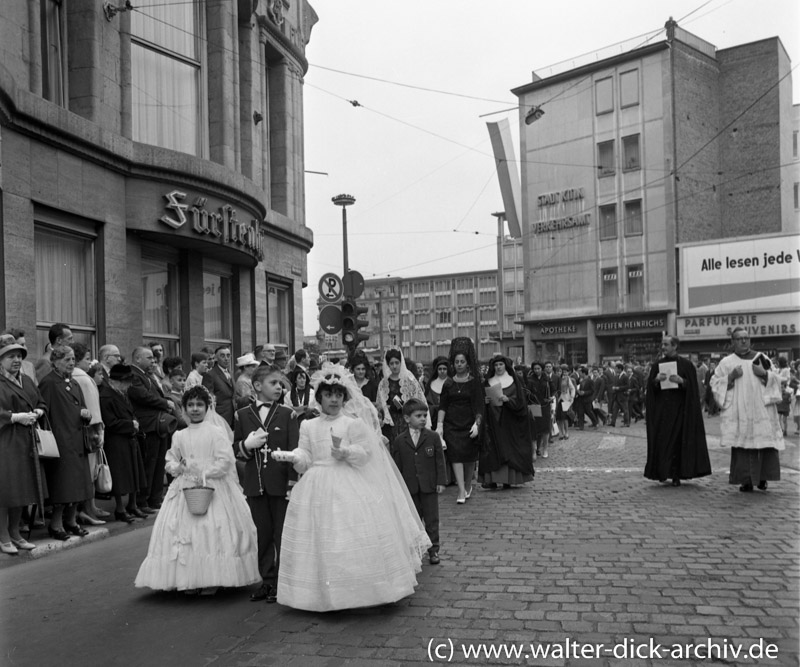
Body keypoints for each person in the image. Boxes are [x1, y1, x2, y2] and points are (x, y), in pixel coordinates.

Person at [274, 364, 431, 612]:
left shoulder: (352, 424)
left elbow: (364, 454)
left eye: (338, 395)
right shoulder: (308, 426)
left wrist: (345, 451)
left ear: (345, 398)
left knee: (349, 534)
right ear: (320, 397)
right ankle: (321, 594)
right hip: (317, 484)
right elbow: (306, 457)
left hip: (347, 481)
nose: (334, 400)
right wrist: (293, 456)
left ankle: (358, 591)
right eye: (328, 395)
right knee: (321, 537)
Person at [135, 385, 260, 594]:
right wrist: (179, 468)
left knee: (212, 529)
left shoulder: (216, 432)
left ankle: (211, 578)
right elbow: (170, 460)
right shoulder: (179, 435)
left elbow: (225, 461)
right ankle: (188, 578)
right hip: (186, 487)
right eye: (190, 405)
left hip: (212, 485)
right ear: (184, 408)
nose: (195, 409)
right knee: (183, 532)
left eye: (199, 405)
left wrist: (205, 474)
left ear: (207, 407)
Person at [232, 366, 299, 604]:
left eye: (281, 384)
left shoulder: (288, 414)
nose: (279, 388)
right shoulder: (242, 414)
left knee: (283, 533)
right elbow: (236, 450)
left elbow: (295, 449)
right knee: (262, 534)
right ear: (258, 386)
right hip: (255, 484)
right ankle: (267, 581)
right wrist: (246, 446)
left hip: (281, 484)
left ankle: (284, 582)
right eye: (274, 383)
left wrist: (292, 483)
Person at [710, 328, 785, 493]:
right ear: (733, 342)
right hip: (740, 411)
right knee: (742, 446)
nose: (744, 341)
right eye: (739, 339)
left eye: (746, 338)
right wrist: (730, 377)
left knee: (764, 443)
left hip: (761, 409)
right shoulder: (727, 363)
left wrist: (764, 374)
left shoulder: (761, 358)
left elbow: (778, 380)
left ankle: (763, 478)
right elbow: (715, 384)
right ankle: (746, 481)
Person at [38, 345, 94, 540]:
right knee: (63, 486)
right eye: (66, 359)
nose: (71, 363)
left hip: (77, 440)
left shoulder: (74, 383)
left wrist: (86, 415)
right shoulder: (49, 383)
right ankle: (56, 524)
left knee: (77, 486)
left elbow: (83, 408)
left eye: (72, 359)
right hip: (61, 441)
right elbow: (43, 413)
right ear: (55, 361)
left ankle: (71, 521)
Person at [644, 336, 711, 487]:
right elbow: (651, 388)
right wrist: (655, 380)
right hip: (662, 412)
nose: (663, 347)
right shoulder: (657, 365)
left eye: (666, 344)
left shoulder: (686, 365)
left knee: (677, 444)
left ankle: (676, 475)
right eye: (662, 344)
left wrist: (682, 382)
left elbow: (693, 389)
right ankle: (662, 471)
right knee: (662, 442)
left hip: (681, 411)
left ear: (675, 346)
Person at [0, 335, 46, 553]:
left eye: (19, 356)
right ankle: (3, 536)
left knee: (22, 488)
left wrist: (39, 410)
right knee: (6, 490)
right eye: (11, 356)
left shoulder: (26, 379)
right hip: (5, 440)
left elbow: (40, 400)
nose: (16, 360)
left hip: (26, 440)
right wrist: (14, 417)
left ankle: (15, 533)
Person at [391, 398, 447, 565]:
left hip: (429, 486)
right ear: (407, 418)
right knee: (414, 521)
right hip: (410, 487)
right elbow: (397, 466)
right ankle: (416, 550)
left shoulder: (433, 437)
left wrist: (441, 481)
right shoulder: (400, 440)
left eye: (424, 415)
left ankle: (433, 550)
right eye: (418, 416)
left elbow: (439, 461)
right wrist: (398, 487)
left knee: (432, 520)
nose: (423, 419)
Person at [435, 338, 483, 504]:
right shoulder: (448, 384)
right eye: (456, 362)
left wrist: (477, 423)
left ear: (467, 363)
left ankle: (468, 485)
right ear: (453, 364)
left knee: (469, 458)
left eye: (462, 361)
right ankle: (461, 490)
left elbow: (479, 406)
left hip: (469, 423)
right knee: (455, 455)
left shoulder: (474, 382)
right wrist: (440, 425)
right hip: (452, 424)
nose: (459, 364)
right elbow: (443, 405)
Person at [128, 346, 175, 513]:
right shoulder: (133, 375)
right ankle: (143, 500)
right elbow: (141, 395)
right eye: (149, 357)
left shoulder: (149, 375)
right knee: (149, 462)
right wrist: (164, 403)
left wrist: (166, 401)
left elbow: (156, 394)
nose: (153, 360)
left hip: (158, 424)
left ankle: (155, 498)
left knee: (159, 461)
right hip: (147, 425)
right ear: (138, 359)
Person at [99, 364, 148, 522]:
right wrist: (130, 425)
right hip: (116, 440)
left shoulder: (121, 394)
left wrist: (134, 424)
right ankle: (120, 509)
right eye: (126, 382)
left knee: (134, 472)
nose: (129, 385)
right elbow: (110, 422)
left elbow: (131, 413)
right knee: (120, 476)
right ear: (116, 381)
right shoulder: (106, 396)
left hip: (129, 437)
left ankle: (132, 505)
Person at [479, 355, 534, 489]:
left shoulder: (514, 381)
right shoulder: (487, 382)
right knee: (491, 449)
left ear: (506, 366)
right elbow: (479, 400)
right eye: (496, 365)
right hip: (492, 421)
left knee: (509, 449)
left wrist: (508, 400)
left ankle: (508, 479)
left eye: (501, 365)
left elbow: (521, 403)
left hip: (510, 421)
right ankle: (491, 479)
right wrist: (484, 401)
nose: (498, 367)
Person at [70, 342, 107, 526]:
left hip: (82, 431)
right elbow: (93, 409)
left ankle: (88, 508)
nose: (88, 363)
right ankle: (87, 509)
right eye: (86, 359)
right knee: (90, 472)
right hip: (90, 431)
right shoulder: (83, 378)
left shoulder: (75, 377)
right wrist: (98, 432)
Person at [376, 348, 429, 444]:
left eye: (397, 363)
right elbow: (380, 406)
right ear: (388, 365)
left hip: (407, 420)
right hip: (390, 423)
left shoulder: (410, 379)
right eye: (391, 363)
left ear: (401, 363)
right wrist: (387, 407)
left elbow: (419, 400)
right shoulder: (383, 383)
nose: (394, 366)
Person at [202, 346, 235, 427]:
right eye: (222, 356)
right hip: (219, 418)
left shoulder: (230, 373)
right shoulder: (210, 375)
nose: (226, 358)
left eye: (228, 355)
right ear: (216, 358)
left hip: (232, 416)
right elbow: (208, 398)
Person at [527, 362, 552, 458]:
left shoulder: (547, 379)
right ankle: (534, 450)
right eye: (535, 368)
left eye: (538, 368)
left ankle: (545, 449)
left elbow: (554, 390)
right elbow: (526, 393)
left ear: (542, 369)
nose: (537, 370)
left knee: (545, 429)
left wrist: (551, 398)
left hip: (545, 406)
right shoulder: (529, 379)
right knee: (533, 428)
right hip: (534, 406)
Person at [554, 365, 576, 440]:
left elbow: (572, 388)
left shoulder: (567, 379)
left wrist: (572, 396)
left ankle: (566, 432)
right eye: (558, 371)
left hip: (565, 399)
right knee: (559, 418)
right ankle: (561, 432)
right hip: (558, 400)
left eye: (561, 371)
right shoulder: (555, 379)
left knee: (565, 417)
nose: (560, 373)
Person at [608, 362, 630, 427]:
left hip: (623, 396)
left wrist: (618, 388)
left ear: (620, 369)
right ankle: (613, 422)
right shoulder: (617, 376)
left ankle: (626, 423)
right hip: (617, 396)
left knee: (625, 409)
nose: (615, 370)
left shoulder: (625, 376)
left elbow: (627, 386)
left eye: (616, 369)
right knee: (615, 409)